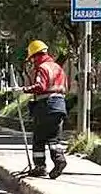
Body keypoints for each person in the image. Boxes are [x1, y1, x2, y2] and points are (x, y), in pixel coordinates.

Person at [17, 39, 68, 179]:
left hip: (46, 106)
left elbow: (41, 86)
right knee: (54, 137)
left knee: (39, 137)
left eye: (32, 58)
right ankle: (59, 160)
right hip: (60, 106)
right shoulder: (58, 68)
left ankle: (40, 167)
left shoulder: (43, 68)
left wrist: (23, 89)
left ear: (36, 56)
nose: (32, 62)